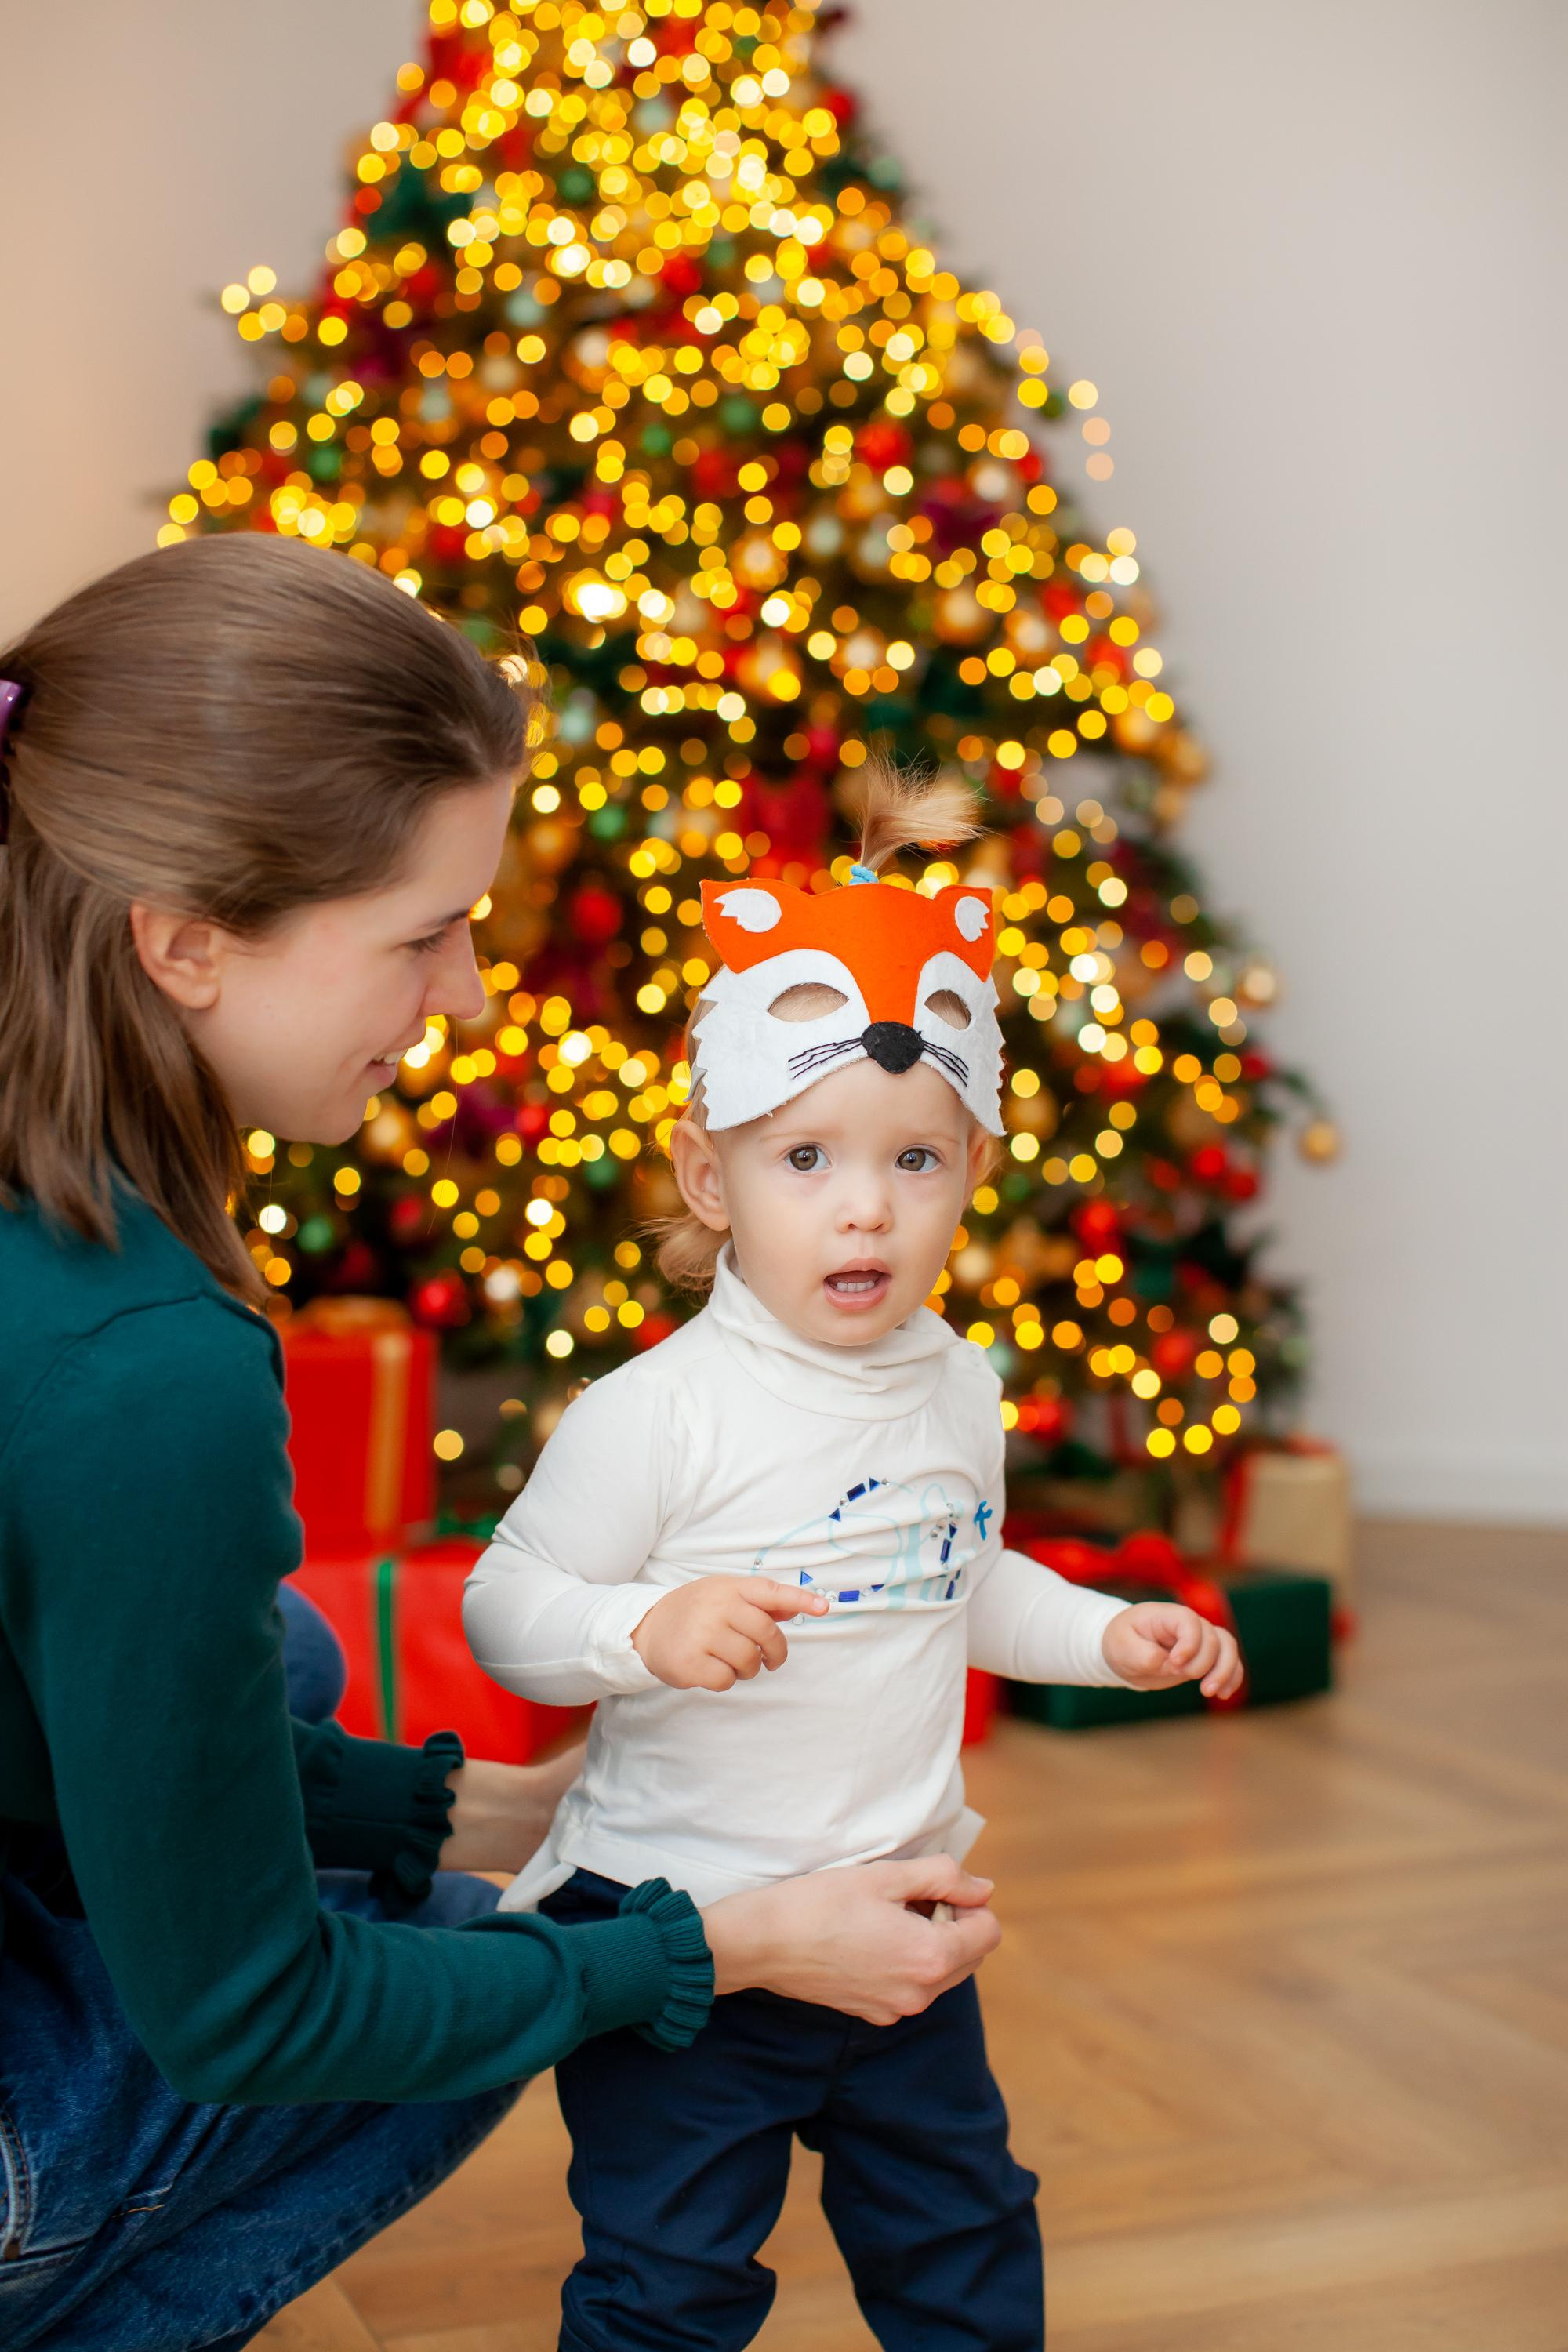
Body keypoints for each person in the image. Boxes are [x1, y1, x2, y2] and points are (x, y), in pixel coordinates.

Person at [0, 537, 1003, 2352]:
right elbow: (253, 2017)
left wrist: (488, 1810)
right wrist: (716, 1950)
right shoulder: (140, 1361)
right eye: (423, 935)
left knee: (291, 1666)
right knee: (498, 1975)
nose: (466, 996)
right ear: (184, 942)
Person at [463, 766, 1244, 2351]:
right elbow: (506, 1611)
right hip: (683, 1946)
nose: (864, 1209)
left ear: (968, 1172)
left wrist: (1105, 1638)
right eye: (805, 1159)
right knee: (667, 2284)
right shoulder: (658, 1415)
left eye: (915, 1160)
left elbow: (962, 1582)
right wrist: (642, 1627)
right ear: (712, 1177)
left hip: (902, 1927)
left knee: (965, 2239)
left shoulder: (954, 1381)